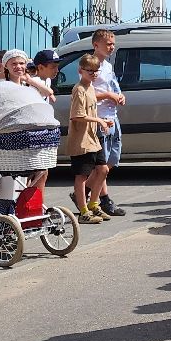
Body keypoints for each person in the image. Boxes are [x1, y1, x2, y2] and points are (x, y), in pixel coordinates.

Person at [86, 30, 128, 218]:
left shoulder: (108, 66)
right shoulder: (90, 65)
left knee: (112, 160)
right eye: (108, 44)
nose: (112, 47)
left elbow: (112, 85)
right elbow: (86, 92)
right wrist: (108, 96)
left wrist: (118, 95)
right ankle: (103, 199)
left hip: (112, 116)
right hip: (99, 117)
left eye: (113, 43)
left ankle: (85, 188)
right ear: (96, 45)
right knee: (101, 165)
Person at [63, 54, 109, 224]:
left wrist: (103, 121)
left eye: (96, 71)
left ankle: (93, 204)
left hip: (92, 138)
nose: (94, 74)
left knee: (103, 170)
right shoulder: (79, 89)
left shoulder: (90, 87)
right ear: (80, 70)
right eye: (90, 71)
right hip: (81, 140)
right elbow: (77, 116)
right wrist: (99, 120)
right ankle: (83, 211)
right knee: (82, 175)